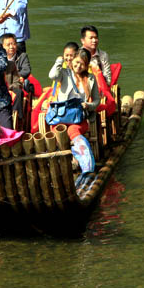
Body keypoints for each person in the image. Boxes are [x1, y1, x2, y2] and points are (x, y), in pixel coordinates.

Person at [48, 47, 100, 186]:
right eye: (76, 62)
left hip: (79, 118)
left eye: (82, 64)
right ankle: (61, 167)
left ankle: (87, 167)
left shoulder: (90, 78)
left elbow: (97, 101)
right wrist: (60, 60)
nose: (78, 66)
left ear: (87, 65)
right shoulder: (64, 73)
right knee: (59, 132)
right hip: (61, 117)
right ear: (72, 60)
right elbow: (52, 75)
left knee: (72, 131)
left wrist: (88, 105)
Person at [0, 33, 32, 126]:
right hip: (2, 83)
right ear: (2, 46)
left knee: (19, 91)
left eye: (13, 44)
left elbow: (27, 70)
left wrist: (18, 76)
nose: (11, 47)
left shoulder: (22, 56)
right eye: (8, 44)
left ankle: (18, 116)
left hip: (16, 82)